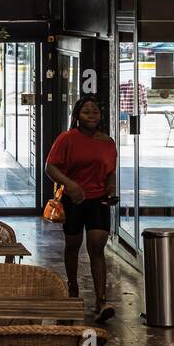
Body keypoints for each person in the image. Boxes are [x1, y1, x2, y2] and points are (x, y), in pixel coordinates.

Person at [45, 97, 118, 319]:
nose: (91, 115)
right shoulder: (67, 139)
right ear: (77, 115)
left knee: (97, 246)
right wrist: (70, 184)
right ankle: (73, 288)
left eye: (95, 111)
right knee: (73, 244)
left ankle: (101, 300)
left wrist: (111, 188)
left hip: (98, 199)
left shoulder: (108, 142)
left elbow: (110, 172)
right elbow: (50, 168)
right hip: (73, 199)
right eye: (86, 111)